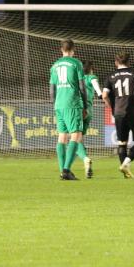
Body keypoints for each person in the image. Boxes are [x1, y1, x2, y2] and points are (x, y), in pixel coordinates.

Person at [102, 52, 134, 178]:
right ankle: (126, 163)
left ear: (116, 62)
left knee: (122, 142)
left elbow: (104, 95)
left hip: (118, 112)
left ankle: (126, 172)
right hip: (133, 110)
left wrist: (112, 108)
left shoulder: (111, 76)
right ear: (129, 62)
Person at [49, 39, 92, 180]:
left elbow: (52, 89)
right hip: (72, 103)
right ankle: (66, 170)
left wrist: (55, 105)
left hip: (59, 104)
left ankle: (63, 171)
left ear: (61, 49)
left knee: (62, 137)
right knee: (76, 136)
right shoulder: (76, 63)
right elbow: (82, 86)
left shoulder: (54, 65)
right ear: (73, 49)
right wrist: (85, 106)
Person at [80, 61, 103, 177]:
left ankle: (85, 159)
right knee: (80, 138)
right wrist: (100, 94)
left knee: (74, 139)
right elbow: (98, 89)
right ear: (91, 69)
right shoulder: (92, 77)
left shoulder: (77, 78)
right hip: (89, 110)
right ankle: (86, 162)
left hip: (79, 109)